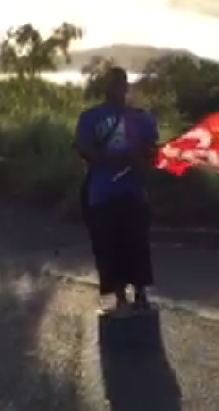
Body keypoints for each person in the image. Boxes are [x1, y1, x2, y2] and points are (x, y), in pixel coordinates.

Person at [75, 67, 159, 314]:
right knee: (111, 246)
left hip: (131, 192)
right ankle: (122, 297)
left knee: (136, 245)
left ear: (126, 87)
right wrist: (125, 157)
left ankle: (140, 295)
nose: (119, 89)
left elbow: (151, 151)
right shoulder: (91, 117)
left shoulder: (141, 118)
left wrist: (144, 157)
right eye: (115, 84)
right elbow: (85, 150)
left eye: (121, 84)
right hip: (104, 194)